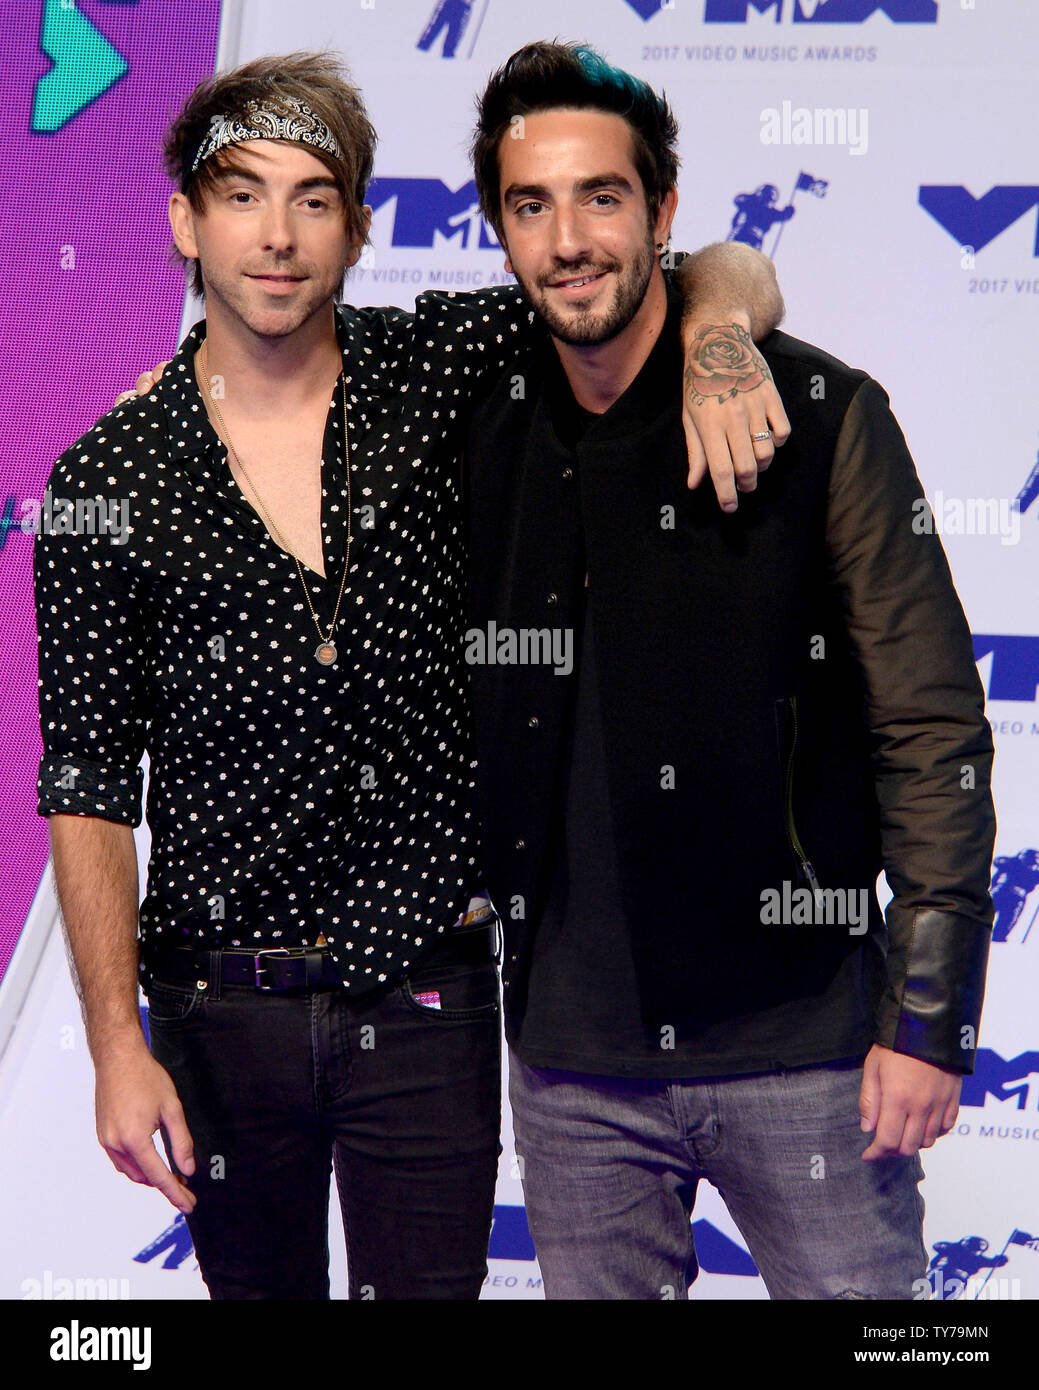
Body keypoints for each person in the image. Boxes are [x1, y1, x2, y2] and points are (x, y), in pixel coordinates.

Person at [36, 49, 785, 1300]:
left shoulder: (439, 371)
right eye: (240, 195)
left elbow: (707, 265)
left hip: (427, 992)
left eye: (314, 199)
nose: (276, 237)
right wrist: (117, 1045)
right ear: (183, 219)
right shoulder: (102, 478)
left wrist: (714, 336)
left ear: (360, 227)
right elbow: (89, 781)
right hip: (223, 1012)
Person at [463, 41, 996, 1300]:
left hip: (804, 1043)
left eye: (602, 196)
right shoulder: (474, 412)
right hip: (570, 1069)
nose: (569, 238)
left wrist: (928, 1020)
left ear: (663, 209)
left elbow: (929, 725)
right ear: (495, 227)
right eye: (530, 205)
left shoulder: (818, 414)